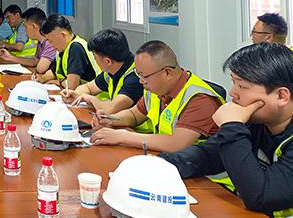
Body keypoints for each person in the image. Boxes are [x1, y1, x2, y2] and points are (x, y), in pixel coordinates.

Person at [160, 43, 293, 217]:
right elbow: (208, 155)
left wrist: (232, 126)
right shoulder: (256, 121)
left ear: (281, 96)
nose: (232, 93)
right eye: (233, 83)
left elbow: (261, 196)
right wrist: (159, 165)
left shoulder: (242, 123)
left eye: (242, 86)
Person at [90, 40, 224, 153]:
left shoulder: (200, 99)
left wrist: (122, 136)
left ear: (167, 73)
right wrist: (110, 119)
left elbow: (176, 143)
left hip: (200, 173)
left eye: (144, 76)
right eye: (138, 74)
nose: (141, 81)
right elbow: (135, 115)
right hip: (167, 159)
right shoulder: (156, 90)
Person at [60, 29, 142, 113]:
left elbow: (111, 109)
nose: (94, 59)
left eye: (94, 56)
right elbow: (89, 87)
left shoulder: (136, 77)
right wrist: (75, 95)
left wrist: (91, 99)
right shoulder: (112, 70)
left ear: (108, 61)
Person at [40, 14, 100, 89]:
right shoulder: (61, 49)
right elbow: (53, 72)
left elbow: (71, 85)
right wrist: (41, 80)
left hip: (93, 94)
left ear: (63, 35)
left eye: (51, 41)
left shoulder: (76, 48)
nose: (50, 45)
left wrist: (58, 82)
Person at [0, 8, 56, 83]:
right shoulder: (40, 42)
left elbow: (41, 69)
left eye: (25, 27)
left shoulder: (49, 42)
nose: (25, 30)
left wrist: (36, 69)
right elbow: (34, 61)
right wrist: (10, 57)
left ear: (34, 26)